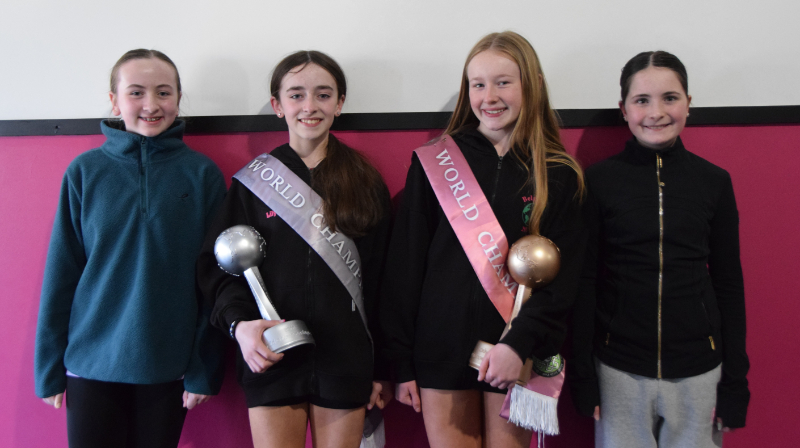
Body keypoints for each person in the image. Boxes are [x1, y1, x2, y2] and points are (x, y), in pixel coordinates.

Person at [380, 31, 586, 448]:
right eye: (477, 84)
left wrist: (519, 344)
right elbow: (405, 267)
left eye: (503, 82)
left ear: (533, 85)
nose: (489, 97)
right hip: (440, 351)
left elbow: (562, 283)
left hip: (515, 353)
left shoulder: (560, 174)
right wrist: (400, 362)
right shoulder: (435, 162)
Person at [197, 50, 393, 448]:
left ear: (339, 103)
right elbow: (220, 269)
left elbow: (385, 280)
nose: (309, 106)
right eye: (296, 95)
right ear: (277, 105)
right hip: (271, 354)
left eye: (323, 95)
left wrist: (383, 367)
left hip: (346, 359)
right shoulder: (252, 185)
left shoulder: (364, 182)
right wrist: (240, 326)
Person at [34, 49, 227, 447]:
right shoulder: (85, 172)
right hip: (90, 365)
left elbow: (214, 280)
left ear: (178, 98)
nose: (151, 105)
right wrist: (48, 367)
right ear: (114, 100)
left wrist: (204, 367)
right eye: (136, 92)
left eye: (163, 92)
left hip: (168, 366)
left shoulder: (202, 175)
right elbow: (61, 274)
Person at [570, 51, 750, 447]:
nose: (656, 112)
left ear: (688, 103)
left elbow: (728, 283)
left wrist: (735, 382)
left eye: (670, 98)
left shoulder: (714, 182)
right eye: (642, 100)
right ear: (624, 109)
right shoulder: (598, 182)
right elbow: (584, 281)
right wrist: (583, 375)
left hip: (699, 372)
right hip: (618, 371)